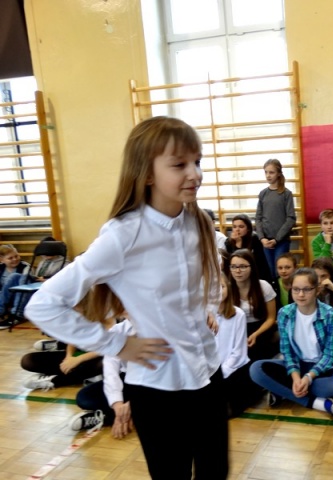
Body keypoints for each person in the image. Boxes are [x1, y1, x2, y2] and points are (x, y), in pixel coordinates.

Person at [24, 116, 228, 480]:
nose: (194, 173)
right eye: (179, 164)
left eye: (197, 161)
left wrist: (208, 307)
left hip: (208, 373)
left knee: (215, 472)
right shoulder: (124, 235)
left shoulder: (198, 222)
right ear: (147, 173)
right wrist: (115, 345)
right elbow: (43, 304)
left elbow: (211, 279)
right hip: (157, 386)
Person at [249, 267, 333, 417]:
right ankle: (315, 402)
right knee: (256, 369)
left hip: (321, 369)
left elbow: (330, 356)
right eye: (296, 289)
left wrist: (308, 378)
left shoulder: (331, 315)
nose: (301, 294)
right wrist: (296, 377)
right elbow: (287, 352)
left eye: (307, 289)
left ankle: (283, 391)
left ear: (317, 290)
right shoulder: (285, 313)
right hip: (297, 366)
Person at [69, 318, 134, 437]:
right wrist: (117, 405)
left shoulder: (158, 327)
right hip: (129, 379)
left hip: (157, 385)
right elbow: (111, 372)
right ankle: (123, 414)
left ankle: (107, 417)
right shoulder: (118, 330)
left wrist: (135, 402)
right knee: (84, 397)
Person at [213, 272, 263, 417]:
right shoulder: (204, 315)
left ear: (228, 288)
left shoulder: (238, 314)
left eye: (221, 287)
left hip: (234, 367)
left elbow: (239, 352)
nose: (218, 292)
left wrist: (223, 372)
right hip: (212, 369)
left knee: (235, 400)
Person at [229, 249, 279, 361]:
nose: (238, 271)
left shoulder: (264, 286)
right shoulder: (227, 289)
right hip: (237, 329)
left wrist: (256, 334)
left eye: (243, 266)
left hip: (261, 328)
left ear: (251, 267)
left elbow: (271, 318)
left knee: (257, 351)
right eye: (233, 267)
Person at [255, 158, 297, 280]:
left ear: (278, 173)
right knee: (272, 272)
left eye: (271, 172)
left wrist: (277, 239)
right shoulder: (263, 193)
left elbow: (291, 218)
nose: (268, 175)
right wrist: (262, 238)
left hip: (281, 241)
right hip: (266, 241)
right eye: (266, 172)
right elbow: (258, 218)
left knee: (281, 272)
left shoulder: (286, 194)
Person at [21, 341, 104, 391]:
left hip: (100, 359)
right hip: (81, 354)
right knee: (27, 361)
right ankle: (88, 377)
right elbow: (73, 339)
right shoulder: (84, 319)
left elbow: (108, 348)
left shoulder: (109, 320)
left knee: (102, 365)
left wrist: (78, 360)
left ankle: (56, 380)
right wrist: (68, 357)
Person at [225, 213, 272, 282]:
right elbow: (233, 263)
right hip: (237, 275)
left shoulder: (255, 239)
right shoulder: (228, 242)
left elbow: (257, 263)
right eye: (234, 227)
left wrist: (239, 244)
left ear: (248, 229)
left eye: (241, 227)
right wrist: (237, 243)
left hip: (256, 274)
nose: (237, 229)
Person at [0, 244, 30, 328]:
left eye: (16, 256)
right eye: (10, 258)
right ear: (2, 260)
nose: (15, 259)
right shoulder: (1, 268)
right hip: (4, 297)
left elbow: (25, 286)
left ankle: (17, 314)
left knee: (14, 276)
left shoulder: (25, 266)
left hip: (20, 296)